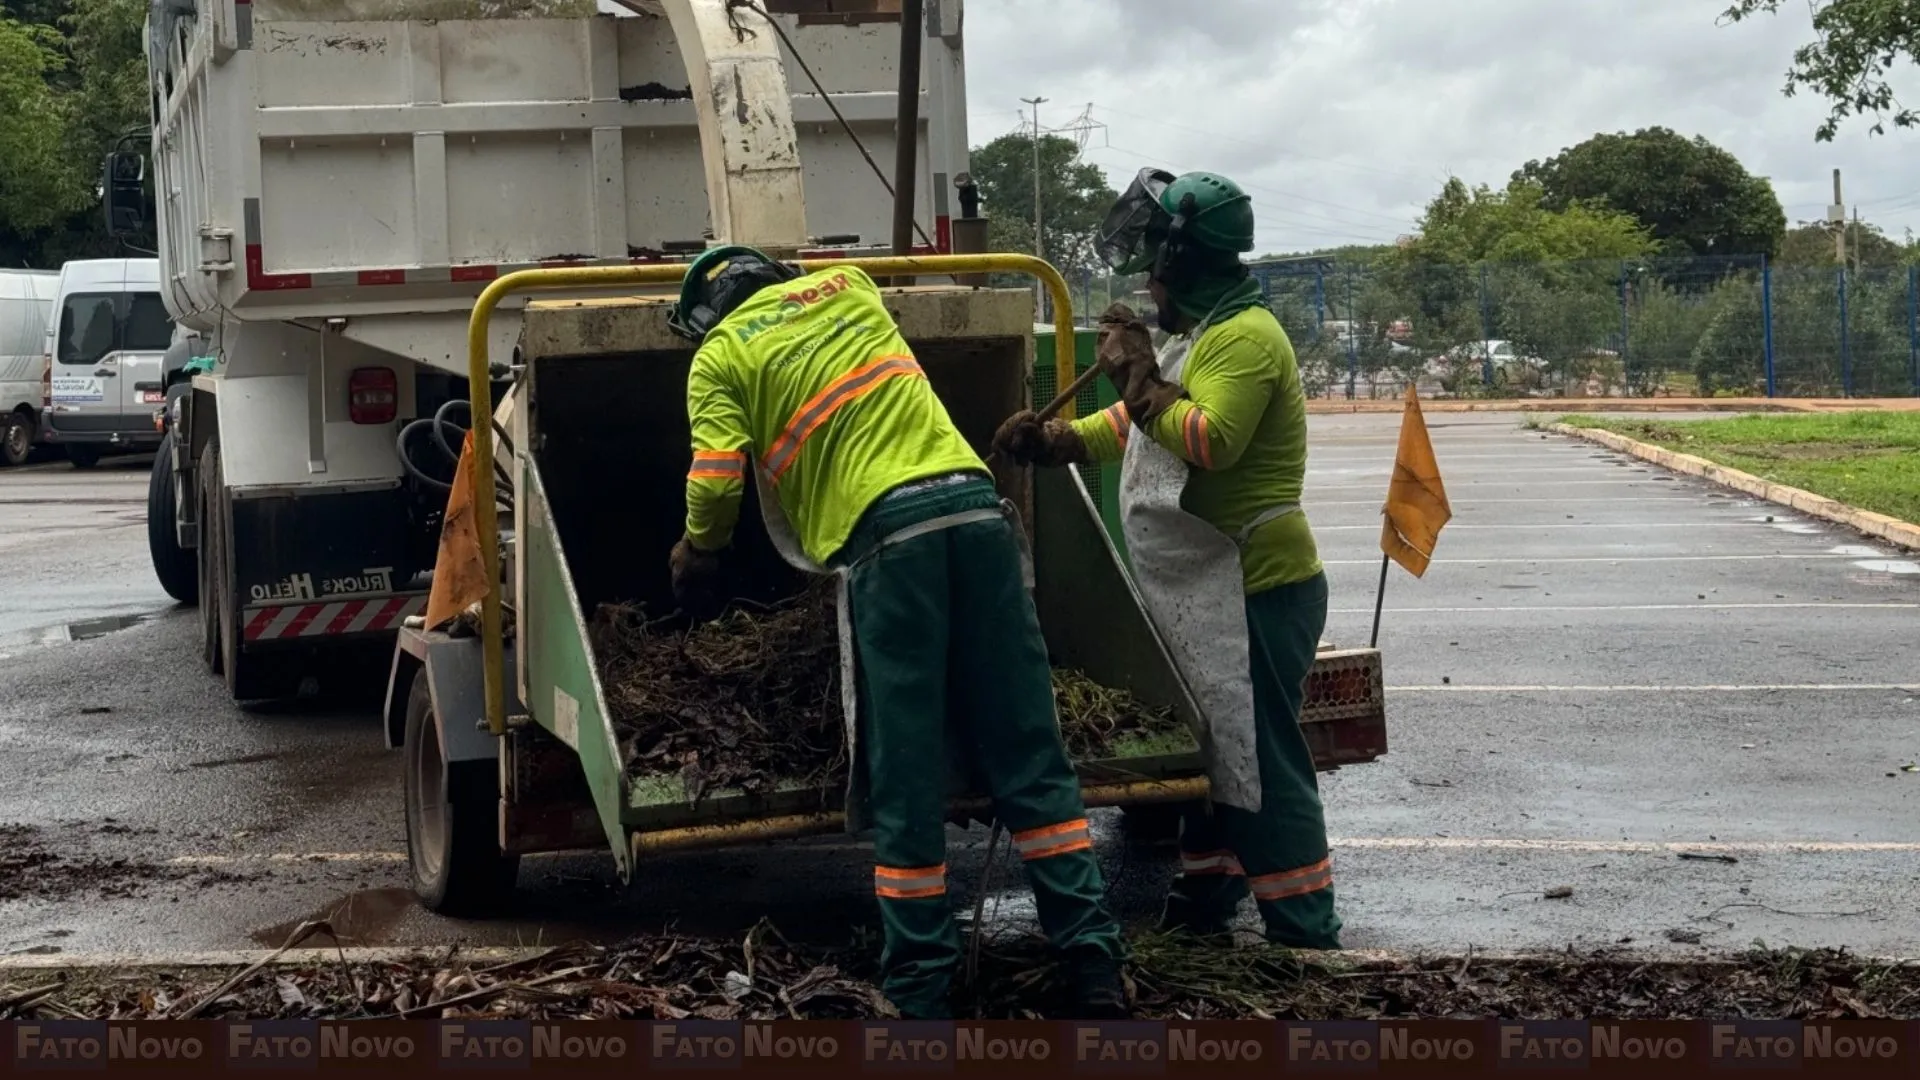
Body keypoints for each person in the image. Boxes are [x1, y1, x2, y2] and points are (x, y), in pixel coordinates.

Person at [665, 246, 1129, 1018]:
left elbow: (716, 481)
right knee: (1032, 755)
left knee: (906, 772)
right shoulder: (850, 287)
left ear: (707, 318)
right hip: (980, 514)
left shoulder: (718, 357)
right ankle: (1093, 965)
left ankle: (920, 988)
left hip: (891, 542)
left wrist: (698, 552)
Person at [992, 170, 1341, 950]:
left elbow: (1209, 440)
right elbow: (1133, 422)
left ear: (1182, 259)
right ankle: (1208, 895)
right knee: (1214, 747)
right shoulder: (1198, 333)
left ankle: (1305, 929)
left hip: (1256, 585)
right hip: (1210, 585)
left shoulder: (1247, 340)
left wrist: (1138, 375)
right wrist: (1058, 443)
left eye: (1154, 258)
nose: (1146, 276)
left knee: (1262, 758)